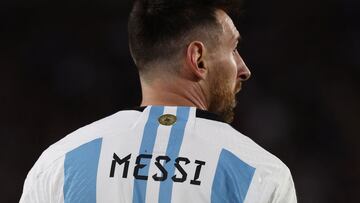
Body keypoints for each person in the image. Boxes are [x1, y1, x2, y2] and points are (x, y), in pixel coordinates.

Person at [20, 0, 297, 202]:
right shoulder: (260, 173)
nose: (243, 69)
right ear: (198, 58)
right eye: (234, 49)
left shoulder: (59, 163)